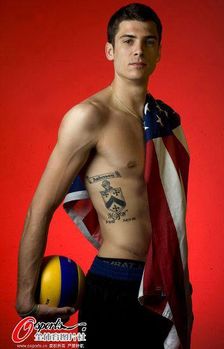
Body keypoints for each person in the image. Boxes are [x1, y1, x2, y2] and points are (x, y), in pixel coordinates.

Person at [16, 3, 193, 349]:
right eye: (128, 41)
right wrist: (24, 297)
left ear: (159, 53)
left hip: (163, 285)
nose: (138, 50)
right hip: (113, 285)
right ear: (110, 50)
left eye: (149, 42)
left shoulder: (164, 122)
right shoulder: (89, 117)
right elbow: (40, 207)